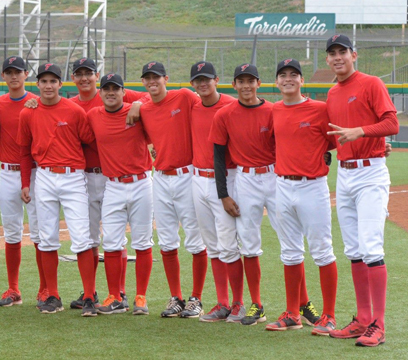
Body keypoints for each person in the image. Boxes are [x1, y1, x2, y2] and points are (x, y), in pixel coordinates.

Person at [26, 57, 147, 309]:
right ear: (72, 79)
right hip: (84, 176)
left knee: (115, 237)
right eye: (79, 74)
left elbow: (149, 95)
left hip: (111, 174)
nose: (84, 78)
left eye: (89, 73)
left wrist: (137, 101)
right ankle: (88, 292)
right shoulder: (70, 105)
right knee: (91, 237)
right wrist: (34, 102)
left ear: (97, 76)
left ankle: (120, 292)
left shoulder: (110, 93)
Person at [210, 63, 318, 326]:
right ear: (233, 85)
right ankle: (256, 304)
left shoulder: (273, 110)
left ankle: (303, 303)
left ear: (259, 83)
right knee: (249, 242)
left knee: (290, 239)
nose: (246, 86)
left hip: (275, 176)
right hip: (246, 180)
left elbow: (296, 139)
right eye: (241, 81)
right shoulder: (224, 115)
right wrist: (223, 193)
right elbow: (219, 157)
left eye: (251, 81)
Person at [324, 34, 399, 347]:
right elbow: (333, 137)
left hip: (370, 173)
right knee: (353, 249)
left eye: (343, 51)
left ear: (354, 55)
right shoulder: (331, 93)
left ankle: (378, 325)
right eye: (332, 53)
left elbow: (392, 123)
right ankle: (362, 319)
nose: (338, 57)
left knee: (370, 247)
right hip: (345, 174)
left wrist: (363, 132)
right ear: (327, 60)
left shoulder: (371, 84)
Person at [17, 63, 97, 316]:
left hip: (73, 178)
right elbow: (23, 151)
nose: (48, 85)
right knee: (47, 238)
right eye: (44, 81)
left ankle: (88, 296)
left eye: (53, 81)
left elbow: (91, 142)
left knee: (82, 237)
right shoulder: (27, 112)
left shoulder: (74, 111)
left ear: (61, 84)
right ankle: (52, 295)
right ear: (37, 85)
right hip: (45, 176)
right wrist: (25, 183)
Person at [265, 59, 338, 335]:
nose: (287, 79)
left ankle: (329, 315)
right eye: (282, 75)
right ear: (276, 82)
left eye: (293, 74)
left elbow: (335, 140)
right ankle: (293, 313)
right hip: (282, 186)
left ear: (302, 80)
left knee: (322, 250)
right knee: (290, 251)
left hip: (313, 186)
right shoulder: (274, 110)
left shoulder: (320, 109)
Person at [135, 61, 207, 318]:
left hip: (187, 174)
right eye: (147, 78)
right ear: (143, 81)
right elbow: (133, 97)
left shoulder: (184, 96)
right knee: (166, 241)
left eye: (156, 77)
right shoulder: (144, 107)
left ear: (167, 78)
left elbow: (210, 104)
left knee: (195, 240)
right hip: (161, 178)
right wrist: (137, 103)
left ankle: (196, 298)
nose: (152, 81)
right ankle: (176, 297)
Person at [86, 73, 154, 315]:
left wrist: (139, 104)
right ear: (100, 92)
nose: (111, 92)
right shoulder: (93, 115)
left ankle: (141, 297)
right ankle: (115, 296)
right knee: (111, 242)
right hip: (112, 184)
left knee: (143, 241)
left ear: (124, 92)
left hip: (141, 182)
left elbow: (153, 97)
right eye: (106, 89)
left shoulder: (137, 111)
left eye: (116, 88)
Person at [187, 61, 245, 322]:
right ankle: (222, 302)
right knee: (212, 245)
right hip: (197, 179)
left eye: (207, 79)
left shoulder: (233, 105)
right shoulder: (193, 106)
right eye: (198, 80)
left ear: (217, 79)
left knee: (228, 243)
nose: (202, 84)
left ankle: (238, 303)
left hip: (227, 179)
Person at [0, 56, 44, 308]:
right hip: (7, 172)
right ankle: (13, 288)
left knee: (39, 232)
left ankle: (45, 288)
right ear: (3, 76)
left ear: (26, 74)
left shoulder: (36, 101)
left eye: (18, 72)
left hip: (34, 174)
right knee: (11, 232)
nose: (14, 76)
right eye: (9, 72)